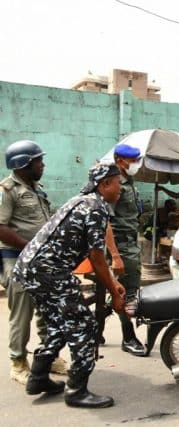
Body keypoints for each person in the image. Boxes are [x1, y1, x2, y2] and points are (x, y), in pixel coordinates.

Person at [12, 163, 127, 408]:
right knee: (83, 326)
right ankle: (77, 391)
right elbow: (97, 257)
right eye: (119, 184)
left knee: (60, 323)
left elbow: (95, 252)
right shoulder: (95, 207)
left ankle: (39, 377)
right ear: (105, 184)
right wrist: (113, 293)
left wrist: (112, 281)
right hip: (49, 272)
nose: (121, 189)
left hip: (31, 268)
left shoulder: (81, 200)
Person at [0, 140, 68, 384]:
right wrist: (30, 246)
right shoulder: (7, 190)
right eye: (38, 160)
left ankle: (47, 357)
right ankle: (18, 363)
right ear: (24, 164)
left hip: (41, 261)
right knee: (22, 313)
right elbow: (0, 227)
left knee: (47, 311)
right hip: (16, 260)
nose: (43, 164)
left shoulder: (37, 189)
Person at [107, 144, 145, 356]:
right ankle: (128, 338)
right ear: (120, 161)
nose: (136, 165)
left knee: (117, 290)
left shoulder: (129, 183)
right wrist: (115, 255)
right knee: (127, 293)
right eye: (134, 161)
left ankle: (97, 329)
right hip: (121, 245)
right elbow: (106, 223)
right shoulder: (114, 184)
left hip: (130, 242)